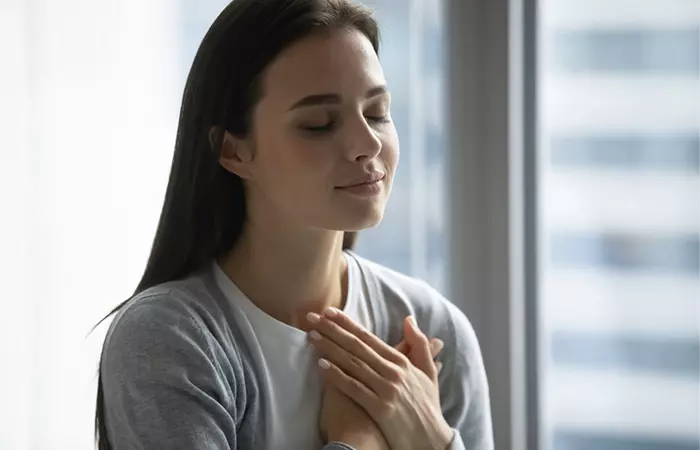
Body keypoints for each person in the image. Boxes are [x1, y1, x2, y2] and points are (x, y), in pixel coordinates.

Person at [95, 0, 494, 449]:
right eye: (319, 124)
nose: (367, 144)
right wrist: (358, 442)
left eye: (378, 112)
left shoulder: (431, 326)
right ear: (233, 150)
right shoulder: (170, 339)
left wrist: (434, 439)